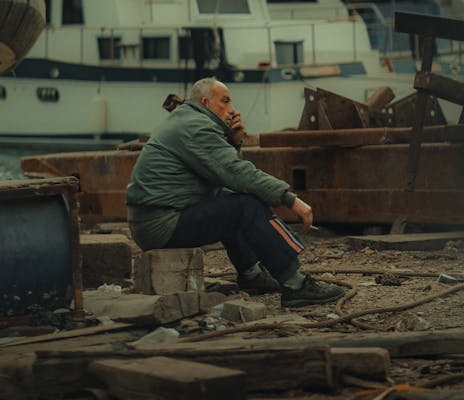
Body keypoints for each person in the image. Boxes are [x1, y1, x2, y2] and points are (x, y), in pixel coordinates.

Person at [126, 77, 344, 308]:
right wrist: (289, 198)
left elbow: (226, 176)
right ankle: (296, 285)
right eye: (225, 102)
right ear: (205, 102)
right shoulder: (196, 127)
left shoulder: (188, 120)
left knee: (232, 200)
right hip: (161, 224)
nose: (232, 110)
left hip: (156, 220)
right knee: (245, 206)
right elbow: (237, 172)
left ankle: (252, 275)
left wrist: (235, 141)